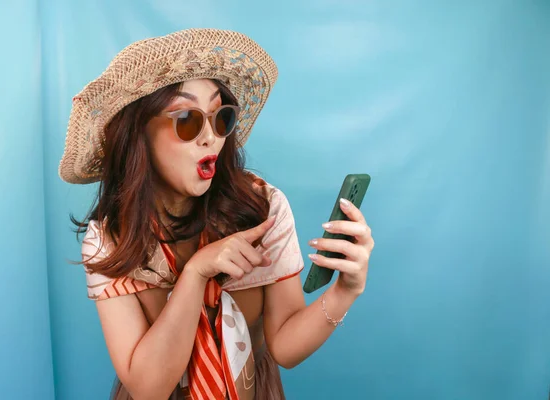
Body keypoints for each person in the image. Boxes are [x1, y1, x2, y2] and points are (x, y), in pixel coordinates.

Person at [59, 28, 375, 400]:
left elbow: (285, 348)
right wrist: (195, 274)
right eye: (188, 120)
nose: (211, 136)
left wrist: (346, 290)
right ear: (138, 135)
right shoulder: (112, 236)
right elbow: (148, 388)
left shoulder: (262, 208)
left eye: (220, 117)